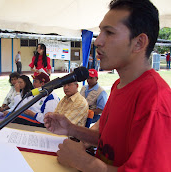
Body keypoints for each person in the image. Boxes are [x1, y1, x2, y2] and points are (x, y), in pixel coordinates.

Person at [44, 0, 171, 171]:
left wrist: (83, 162)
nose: (98, 41)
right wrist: (70, 128)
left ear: (139, 43)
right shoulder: (119, 85)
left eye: (109, 33)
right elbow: (104, 138)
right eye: (101, 32)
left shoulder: (155, 98)